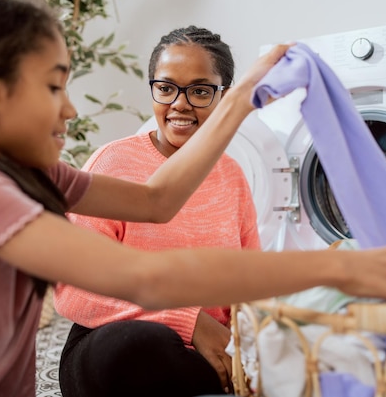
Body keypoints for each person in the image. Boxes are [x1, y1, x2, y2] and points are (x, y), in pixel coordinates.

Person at [0, 0, 386, 397]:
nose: (71, 108)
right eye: (54, 86)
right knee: (139, 351)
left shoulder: (33, 175)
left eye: (202, 92)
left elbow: (155, 200)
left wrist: (242, 94)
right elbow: (140, 278)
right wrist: (336, 272)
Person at [54, 26, 260, 397]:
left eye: (199, 91)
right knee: (139, 347)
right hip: (116, 340)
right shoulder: (112, 162)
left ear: (224, 98)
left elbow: (252, 282)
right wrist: (188, 321)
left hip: (202, 353)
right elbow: (73, 291)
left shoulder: (232, 175)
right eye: (166, 88)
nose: (179, 104)